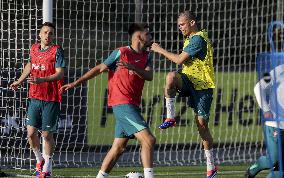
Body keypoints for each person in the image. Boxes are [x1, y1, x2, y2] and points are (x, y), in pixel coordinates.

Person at [60, 23, 156, 178]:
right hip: (122, 103)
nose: (151, 36)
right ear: (139, 36)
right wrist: (75, 82)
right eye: (148, 33)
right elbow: (99, 68)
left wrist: (132, 67)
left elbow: (149, 76)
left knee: (118, 148)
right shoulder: (121, 52)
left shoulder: (147, 56)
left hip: (133, 105)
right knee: (149, 140)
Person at [150, 11, 217, 178]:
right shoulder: (189, 39)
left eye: (182, 24)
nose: (180, 28)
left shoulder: (197, 39)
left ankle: (211, 166)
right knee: (171, 77)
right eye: (179, 25)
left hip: (203, 87)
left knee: (201, 125)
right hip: (189, 80)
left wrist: (159, 49)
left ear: (192, 22)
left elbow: (179, 60)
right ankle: (170, 117)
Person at [10, 22, 65, 178]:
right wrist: (20, 80)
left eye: (51, 33)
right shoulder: (34, 48)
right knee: (30, 133)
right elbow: (30, 65)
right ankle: (39, 160)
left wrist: (43, 80)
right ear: (40, 34)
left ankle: (46, 169)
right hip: (34, 97)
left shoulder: (57, 51)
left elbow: (60, 73)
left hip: (51, 98)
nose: (48, 35)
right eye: (45, 32)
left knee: (47, 135)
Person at [245, 64, 284, 178]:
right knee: (274, 160)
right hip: (276, 125)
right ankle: (255, 167)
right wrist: (266, 109)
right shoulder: (277, 71)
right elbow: (258, 87)